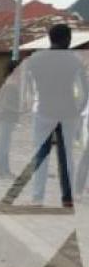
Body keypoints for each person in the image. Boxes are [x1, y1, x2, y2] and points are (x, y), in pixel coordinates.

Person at [25, 24, 88, 207]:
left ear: (50, 38)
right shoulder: (75, 60)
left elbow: (29, 87)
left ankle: (37, 198)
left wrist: (33, 104)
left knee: (41, 155)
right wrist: (78, 109)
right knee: (67, 156)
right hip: (68, 113)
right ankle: (67, 198)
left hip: (44, 111)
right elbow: (84, 91)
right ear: (67, 38)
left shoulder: (35, 59)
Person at [0, 61, 20, 179]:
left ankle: (4, 169)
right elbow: (5, 104)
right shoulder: (11, 84)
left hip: (7, 117)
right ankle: (1, 170)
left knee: (5, 145)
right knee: (4, 145)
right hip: (7, 116)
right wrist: (19, 110)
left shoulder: (9, 82)